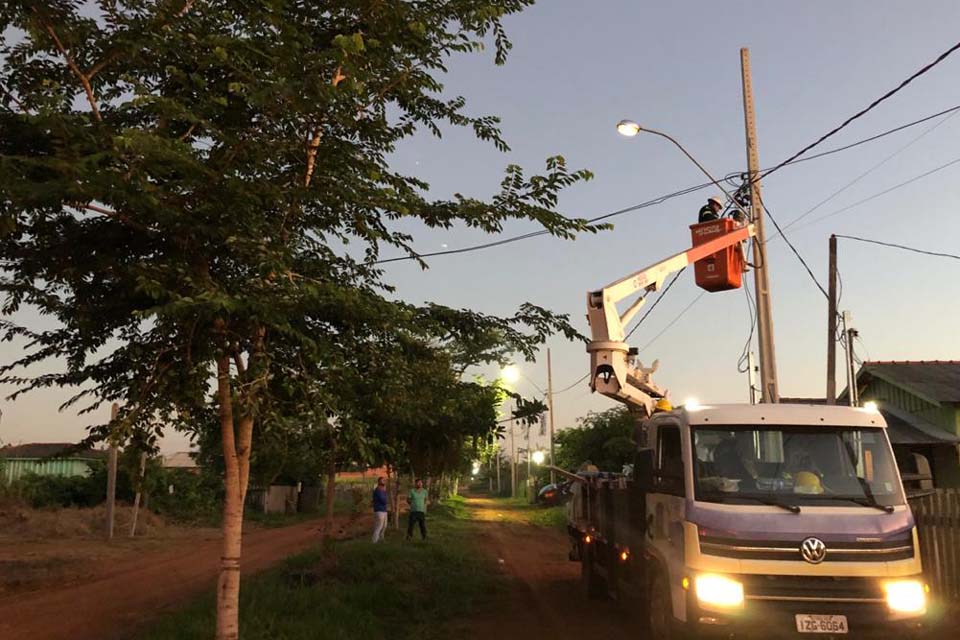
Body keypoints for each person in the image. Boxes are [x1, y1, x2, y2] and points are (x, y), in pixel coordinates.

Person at [371, 476, 388, 543]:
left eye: (384, 480)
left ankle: (381, 539)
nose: (384, 481)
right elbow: (383, 500)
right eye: (382, 480)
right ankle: (374, 541)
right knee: (379, 526)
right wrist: (386, 501)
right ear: (379, 482)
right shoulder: (378, 490)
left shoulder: (383, 490)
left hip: (384, 510)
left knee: (384, 526)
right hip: (379, 510)